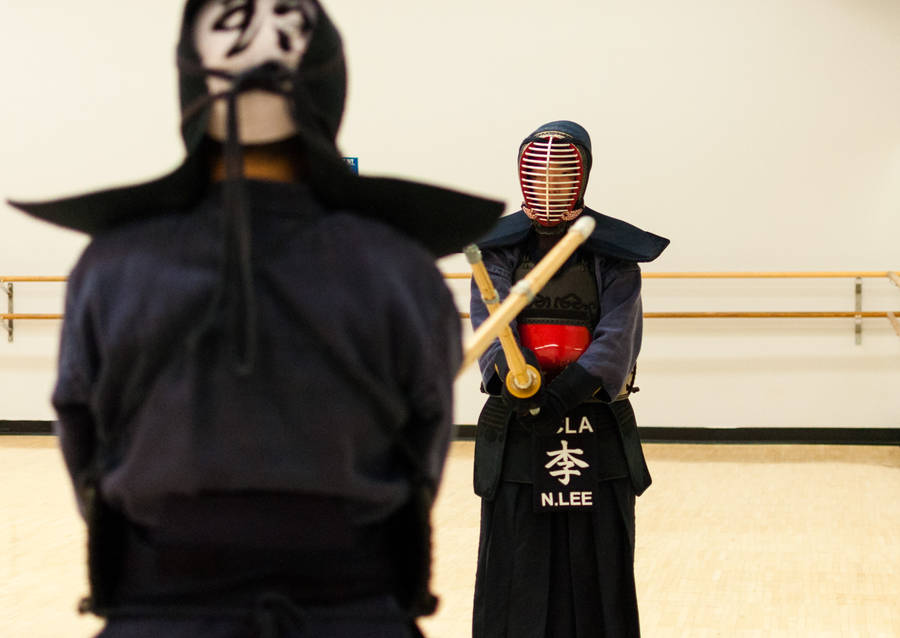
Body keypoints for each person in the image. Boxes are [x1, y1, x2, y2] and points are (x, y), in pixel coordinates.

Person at [10, 1, 502, 637]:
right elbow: (424, 444)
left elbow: (82, 435)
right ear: (330, 88)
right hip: (352, 610)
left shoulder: (110, 266)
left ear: (189, 89)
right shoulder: (401, 268)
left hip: (159, 609)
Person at [469, 120, 669, 638]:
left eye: (563, 172)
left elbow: (617, 332)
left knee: (597, 559)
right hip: (517, 421)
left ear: (581, 176)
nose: (551, 183)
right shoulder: (499, 250)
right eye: (542, 170)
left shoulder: (614, 253)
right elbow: (492, 326)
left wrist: (570, 389)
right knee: (516, 558)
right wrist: (515, 381)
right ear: (523, 172)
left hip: (594, 419)